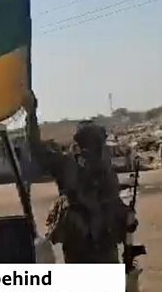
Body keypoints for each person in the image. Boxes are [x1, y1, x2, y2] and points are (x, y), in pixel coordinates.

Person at [24, 91, 137, 265]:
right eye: (97, 142)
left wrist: (126, 217)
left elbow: (114, 204)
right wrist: (31, 116)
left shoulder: (105, 171)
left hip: (105, 253)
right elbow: (36, 151)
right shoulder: (67, 166)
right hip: (81, 254)